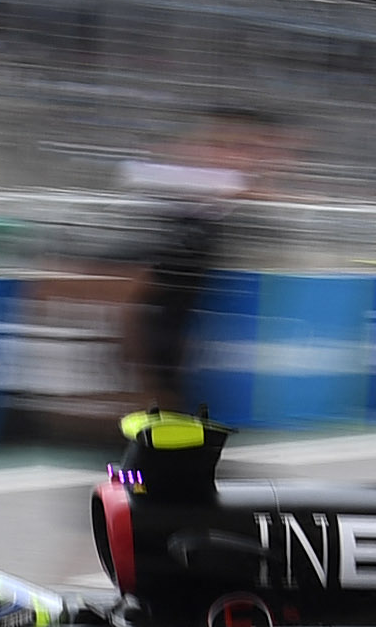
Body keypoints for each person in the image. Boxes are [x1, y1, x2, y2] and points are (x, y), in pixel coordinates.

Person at [118, 107, 284, 419]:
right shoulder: (178, 185)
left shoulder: (217, 199)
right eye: (225, 145)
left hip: (186, 309)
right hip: (163, 307)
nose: (243, 156)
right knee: (163, 377)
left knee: (174, 378)